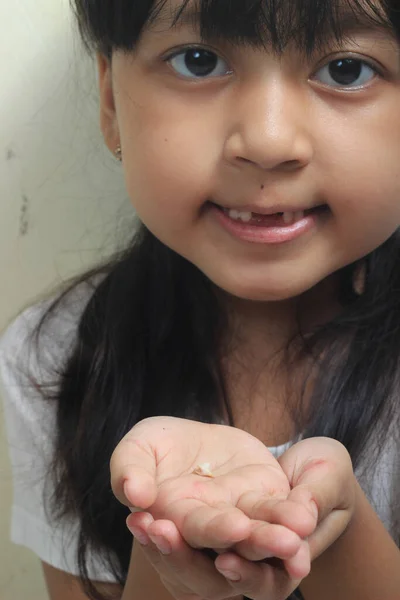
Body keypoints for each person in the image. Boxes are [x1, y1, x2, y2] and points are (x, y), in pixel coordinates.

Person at [1, 0, 400, 598]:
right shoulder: (55, 357)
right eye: (198, 60)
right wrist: (171, 543)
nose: (268, 141)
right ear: (111, 102)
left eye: (347, 70)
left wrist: (335, 539)